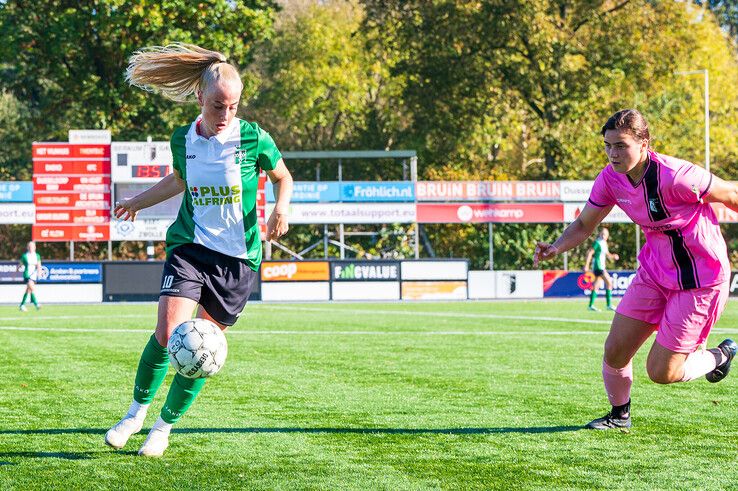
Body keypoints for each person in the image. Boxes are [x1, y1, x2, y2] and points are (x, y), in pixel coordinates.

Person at [105, 43, 293, 456]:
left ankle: (162, 428)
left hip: (238, 261)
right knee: (168, 333)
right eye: (217, 106)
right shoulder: (183, 139)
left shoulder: (252, 138)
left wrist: (280, 208)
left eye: (232, 106)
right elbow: (179, 181)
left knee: (203, 348)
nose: (225, 115)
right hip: (190, 247)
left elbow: (284, 177)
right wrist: (137, 201)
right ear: (199, 98)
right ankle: (135, 414)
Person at [533, 109, 736, 430]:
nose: (613, 154)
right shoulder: (609, 179)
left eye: (621, 146)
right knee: (615, 350)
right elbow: (586, 223)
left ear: (644, 144)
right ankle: (619, 416)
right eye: (607, 145)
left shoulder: (677, 175)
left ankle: (720, 356)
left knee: (661, 372)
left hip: (700, 280)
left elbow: (732, 194)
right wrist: (556, 247)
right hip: (654, 273)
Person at [583, 227, 619, 311]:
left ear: (607, 236)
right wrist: (586, 265)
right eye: (602, 234)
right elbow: (590, 252)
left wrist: (613, 256)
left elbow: (607, 254)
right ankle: (609, 305)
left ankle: (590, 306)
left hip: (601, 267)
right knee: (609, 283)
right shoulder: (597, 242)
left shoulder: (604, 243)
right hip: (598, 266)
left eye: (605, 234)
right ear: (599, 234)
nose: (603, 236)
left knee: (596, 286)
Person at [19, 241, 41, 311]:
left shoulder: (37, 255)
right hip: (27, 274)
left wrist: (39, 273)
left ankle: (22, 305)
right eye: (29, 246)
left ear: (35, 247)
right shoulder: (25, 256)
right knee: (32, 288)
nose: (31, 248)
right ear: (27, 247)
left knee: (28, 290)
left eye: (32, 246)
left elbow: (39, 265)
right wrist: (19, 267)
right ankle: (36, 303)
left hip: (34, 275)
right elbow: (20, 264)